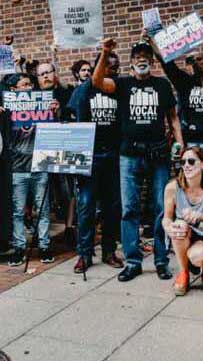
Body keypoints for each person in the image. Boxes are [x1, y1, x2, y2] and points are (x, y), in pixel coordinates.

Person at [93, 37, 184, 282]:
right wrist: (104, 52)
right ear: (131, 63)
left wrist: (180, 142)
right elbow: (97, 81)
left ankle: (161, 260)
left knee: (161, 208)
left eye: (145, 56)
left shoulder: (162, 85)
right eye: (136, 57)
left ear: (152, 61)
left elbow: (173, 118)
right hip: (129, 154)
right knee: (129, 209)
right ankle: (133, 261)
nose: (141, 59)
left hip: (158, 153)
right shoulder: (123, 84)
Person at [68, 51, 124, 273]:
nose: (114, 72)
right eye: (109, 67)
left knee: (111, 207)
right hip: (88, 156)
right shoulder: (84, 90)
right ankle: (84, 253)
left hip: (112, 154)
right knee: (86, 207)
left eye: (116, 68)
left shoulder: (118, 89)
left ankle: (109, 251)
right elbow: (70, 114)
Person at [3, 72, 57, 267]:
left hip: (40, 164)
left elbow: (55, 130)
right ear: (14, 90)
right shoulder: (7, 110)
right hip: (17, 167)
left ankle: (44, 246)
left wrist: (54, 112)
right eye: (24, 85)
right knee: (17, 211)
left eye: (30, 84)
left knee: (42, 209)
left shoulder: (42, 105)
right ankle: (19, 247)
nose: (29, 88)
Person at [163, 147, 203, 295]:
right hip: (183, 236)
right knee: (179, 225)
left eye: (191, 161)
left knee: (197, 256)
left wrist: (199, 215)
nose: (186, 165)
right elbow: (166, 217)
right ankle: (183, 273)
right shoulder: (172, 187)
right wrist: (169, 228)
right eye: (183, 162)